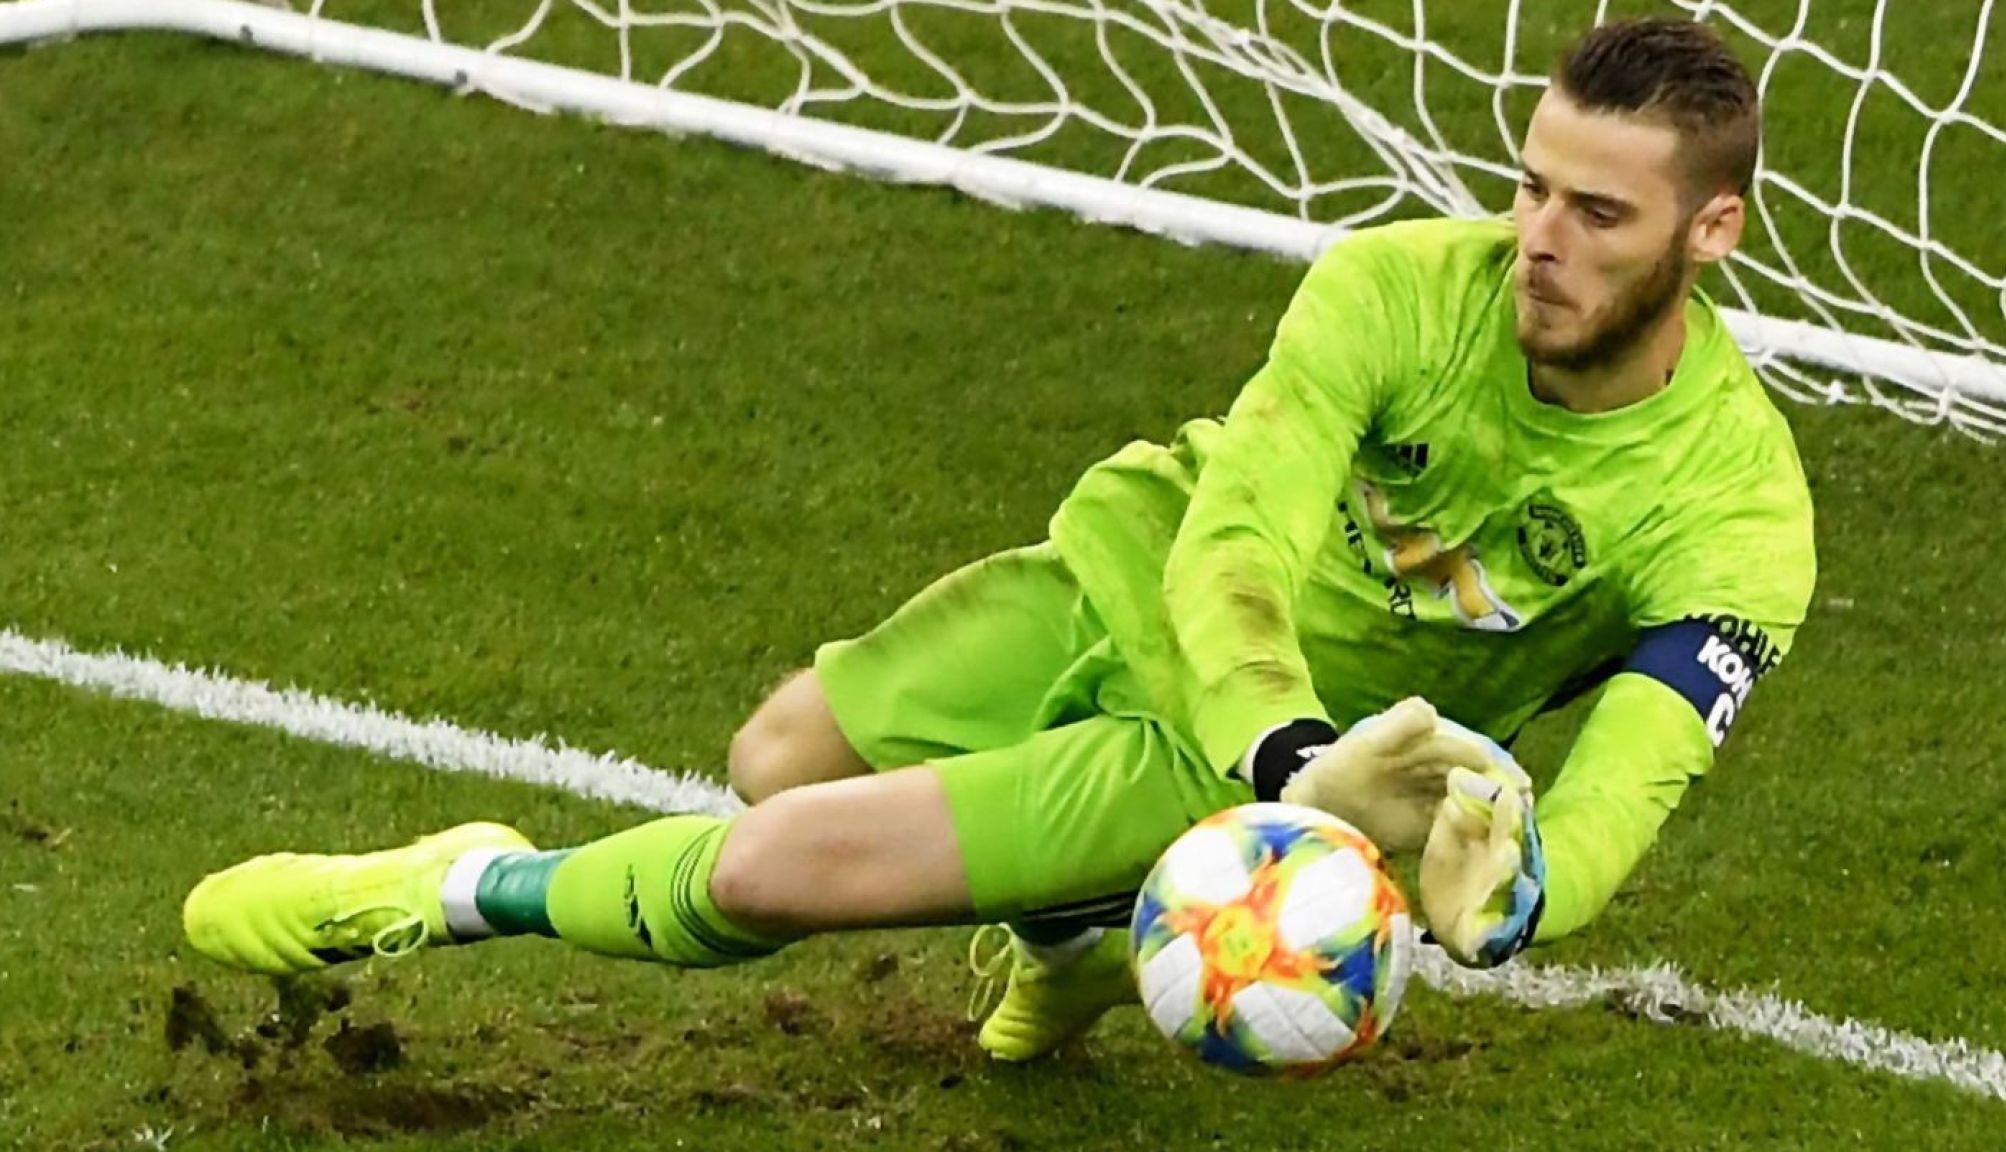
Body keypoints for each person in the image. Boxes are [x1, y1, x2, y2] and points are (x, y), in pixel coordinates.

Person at [182, 16, 1813, 1064]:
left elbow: (1623, 789)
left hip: (1212, 762)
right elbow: (1235, 538)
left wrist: (1521, 896)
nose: (1537, 241)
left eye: (1597, 214)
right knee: (771, 758)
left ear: (1712, 230)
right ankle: (1082, 935)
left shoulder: (1736, 516)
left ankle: (457, 885)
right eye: (1529, 189)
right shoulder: (1395, 287)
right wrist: (1292, 750)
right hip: (1156, 594)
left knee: (770, 865)